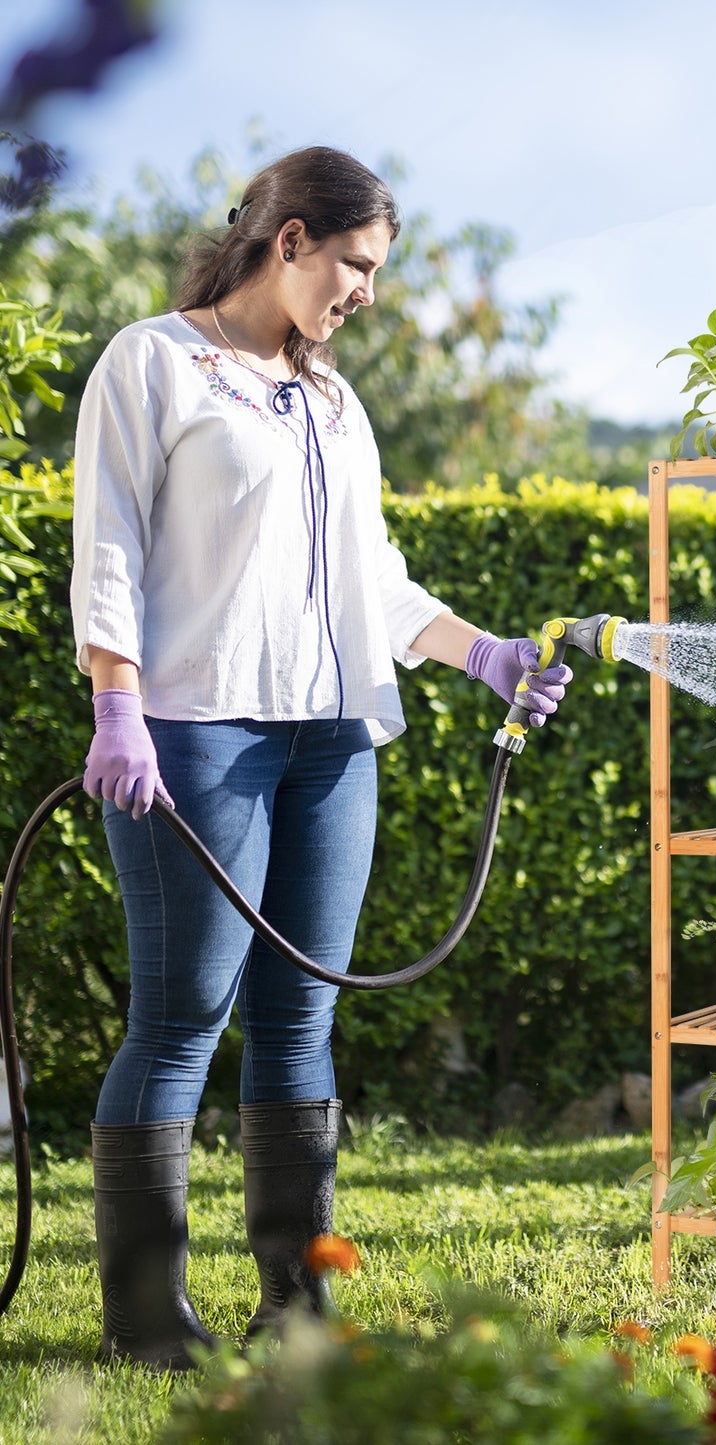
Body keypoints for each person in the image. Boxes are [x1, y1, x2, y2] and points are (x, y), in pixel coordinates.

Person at [69, 145, 569, 1371]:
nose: (364, 292)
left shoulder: (334, 402)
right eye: (353, 264)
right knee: (184, 1013)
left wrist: (480, 652)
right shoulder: (154, 363)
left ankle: (298, 1300)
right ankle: (145, 1314)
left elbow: (376, 579)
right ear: (287, 239)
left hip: (334, 735)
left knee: (302, 1018)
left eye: (374, 272)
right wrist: (116, 701)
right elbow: (112, 546)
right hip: (195, 731)